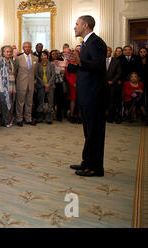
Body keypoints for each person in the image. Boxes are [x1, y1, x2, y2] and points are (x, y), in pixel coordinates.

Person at [55, 15, 107, 177]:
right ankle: (87, 162)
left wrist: (79, 62)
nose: (74, 27)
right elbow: (83, 67)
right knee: (88, 131)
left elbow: (98, 66)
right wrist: (67, 64)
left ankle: (96, 168)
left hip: (94, 95)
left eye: (76, 24)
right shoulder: (85, 44)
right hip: (86, 95)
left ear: (85, 25)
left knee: (95, 132)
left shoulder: (96, 42)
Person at [0, 45, 16, 128]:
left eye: (10, 52)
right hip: (2, 84)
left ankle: (8, 119)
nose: (9, 53)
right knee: (3, 102)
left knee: (11, 101)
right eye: (7, 51)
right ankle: (6, 121)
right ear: (3, 52)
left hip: (11, 85)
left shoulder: (11, 60)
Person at [14, 41, 38, 126]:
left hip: (31, 83)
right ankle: (19, 119)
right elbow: (15, 71)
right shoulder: (18, 58)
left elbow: (35, 72)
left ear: (31, 48)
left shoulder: (35, 58)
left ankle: (28, 118)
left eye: (29, 47)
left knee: (29, 102)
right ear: (23, 48)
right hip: (21, 83)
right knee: (20, 102)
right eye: (25, 47)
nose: (27, 48)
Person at [34, 51, 55, 124]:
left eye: (45, 55)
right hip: (41, 86)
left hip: (50, 86)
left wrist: (48, 84)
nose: (43, 57)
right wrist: (44, 84)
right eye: (42, 55)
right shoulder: (38, 65)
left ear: (47, 56)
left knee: (50, 102)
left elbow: (53, 75)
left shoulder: (51, 64)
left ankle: (49, 118)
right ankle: (40, 117)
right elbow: (36, 75)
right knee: (41, 101)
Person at [105, 46, 122, 123]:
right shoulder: (100, 61)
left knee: (112, 102)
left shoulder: (116, 61)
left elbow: (119, 73)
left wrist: (112, 81)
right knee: (102, 101)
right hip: (102, 85)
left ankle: (110, 117)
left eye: (108, 51)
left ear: (111, 52)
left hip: (112, 85)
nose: (106, 52)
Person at [50, 49, 66, 122]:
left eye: (56, 54)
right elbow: (51, 72)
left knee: (60, 100)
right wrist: (58, 71)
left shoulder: (60, 62)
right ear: (51, 55)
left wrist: (57, 71)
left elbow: (63, 71)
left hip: (59, 82)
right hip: (52, 83)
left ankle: (59, 116)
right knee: (52, 100)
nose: (55, 55)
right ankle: (52, 115)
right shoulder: (49, 63)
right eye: (53, 54)